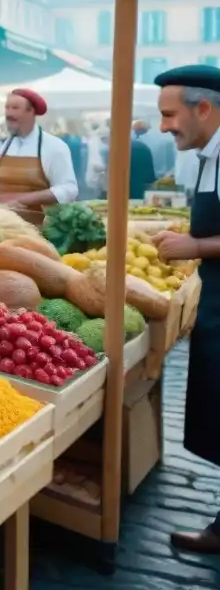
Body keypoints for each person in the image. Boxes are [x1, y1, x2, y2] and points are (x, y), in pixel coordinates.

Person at [150, 65, 220, 554]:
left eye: (169, 114)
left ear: (204, 108)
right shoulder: (207, 156)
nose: (163, 126)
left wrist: (193, 245)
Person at [0, 88, 78, 225]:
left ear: (31, 112)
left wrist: (23, 199)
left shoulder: (54, 146)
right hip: (3, 225)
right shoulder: (6, 145)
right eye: (7, 108)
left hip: (40, 229)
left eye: (15, 108)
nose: (9, 113)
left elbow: (69, 189)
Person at [127, 126, 158, 200]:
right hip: (140, 189)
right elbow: (150, 177)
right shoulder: (143, 146)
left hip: (120, 189)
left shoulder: (116, 148)